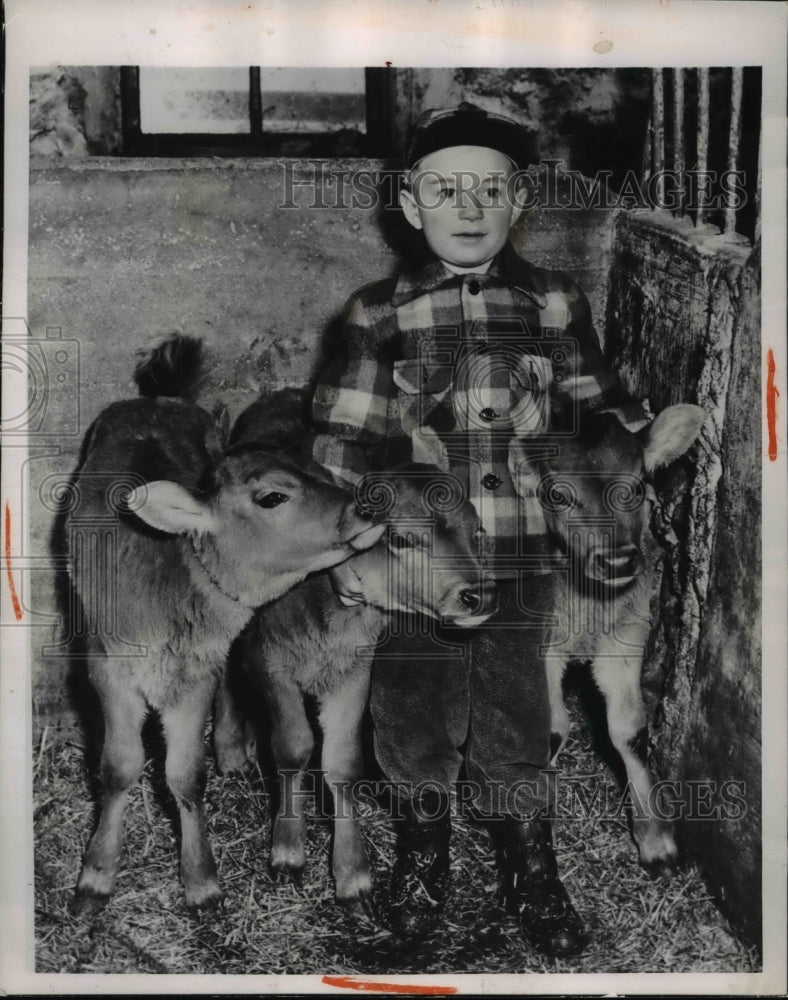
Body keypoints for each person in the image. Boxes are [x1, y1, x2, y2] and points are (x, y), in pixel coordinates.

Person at [308, 102, 645, 958]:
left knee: (516, 709)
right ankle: (424, 863)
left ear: (518, 201)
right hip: (422, 567)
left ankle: (531, 868)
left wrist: (630, 440)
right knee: (416, 707)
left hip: (525, 553)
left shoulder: (554, 301)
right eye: (444, 190)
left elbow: (597, 416)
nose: (468, 207)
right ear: (411, 205)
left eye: (489, 190)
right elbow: (338, 446)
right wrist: (376, 510)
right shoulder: (377, 311)